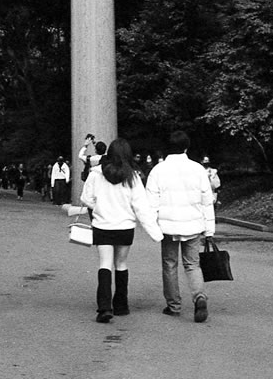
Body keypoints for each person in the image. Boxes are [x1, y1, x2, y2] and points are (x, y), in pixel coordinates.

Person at [73, 138, 163, 322]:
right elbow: (141, 207)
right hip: (125, 226)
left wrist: (98, 207)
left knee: (105, 264)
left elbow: (86, 198)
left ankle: (104, 307)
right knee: (121, 264)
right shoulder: (133, 177)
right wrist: (155, 233)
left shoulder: (96, 173)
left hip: (102, 225)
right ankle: (121, 305)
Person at [145, 130, 215, 322]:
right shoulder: (198, 169)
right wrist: (209, 229)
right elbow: (206, 201)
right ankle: (199, 296)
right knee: (192, 264)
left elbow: (151, 202)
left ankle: (173, 305)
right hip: (193, 224)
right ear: (186, 147)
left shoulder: (158, 171)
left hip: (167, 226)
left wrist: (152, 228)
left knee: (169, 264)